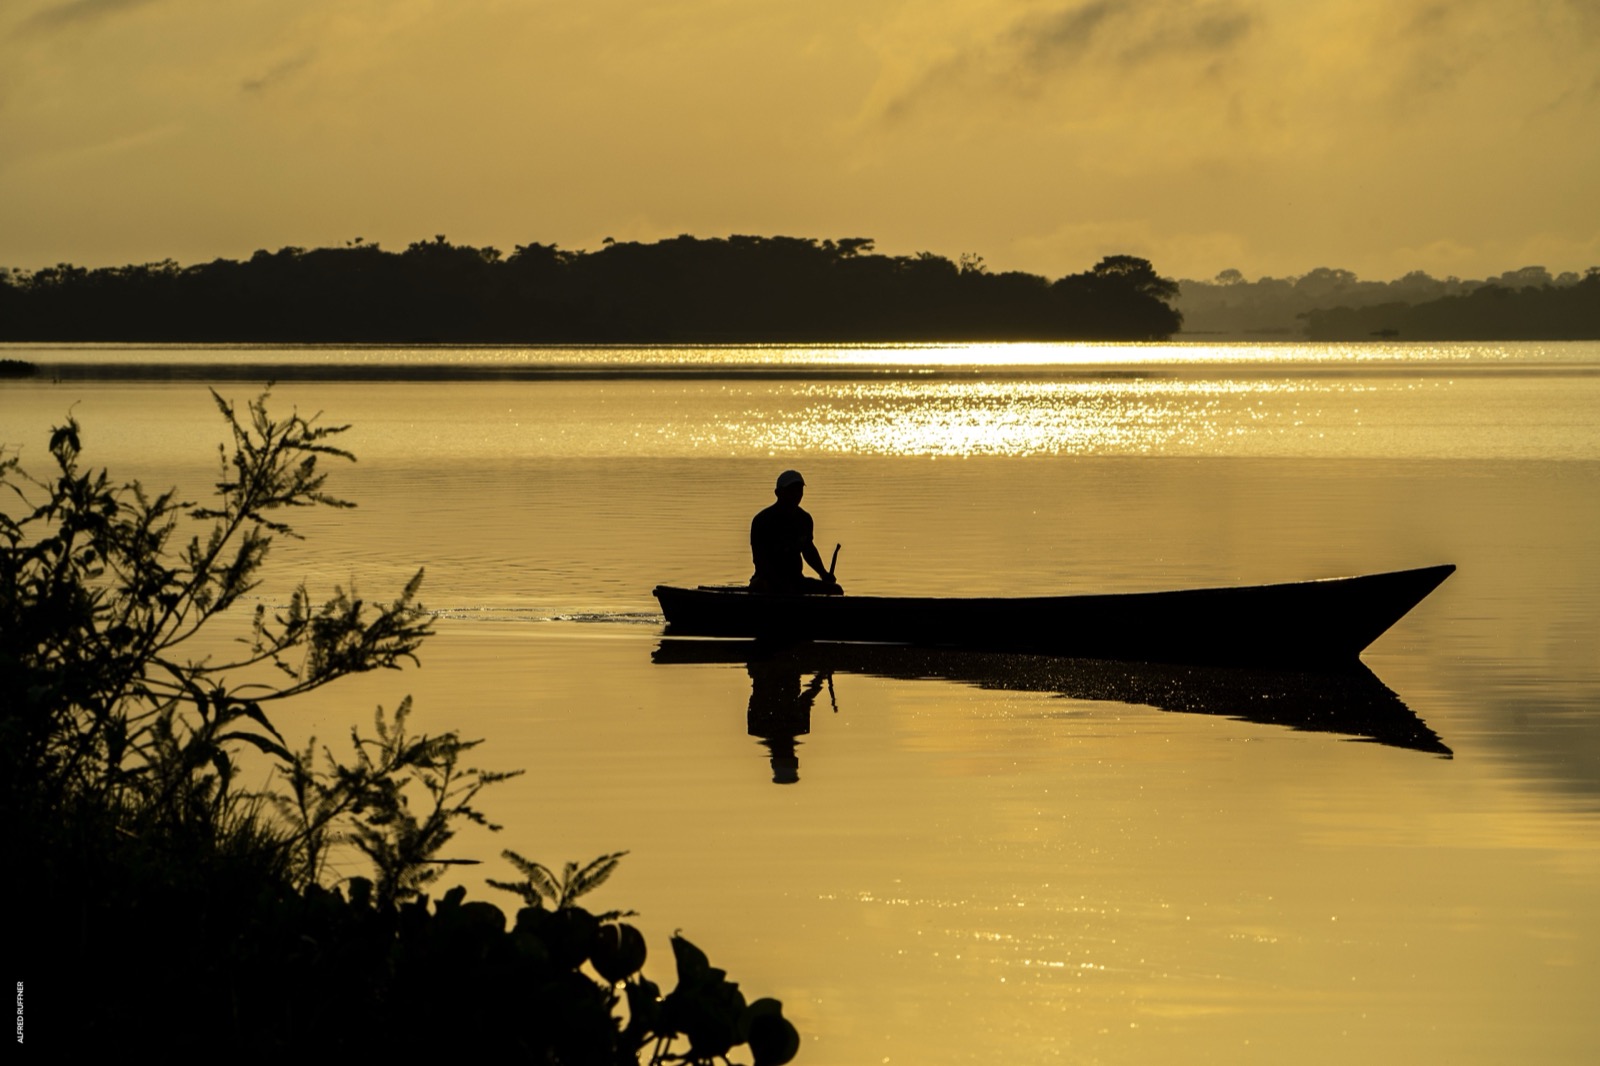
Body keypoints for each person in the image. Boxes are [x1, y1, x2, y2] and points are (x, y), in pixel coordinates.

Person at [749, 469, 842, 594]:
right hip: (766, 580)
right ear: (778, 493)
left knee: (836, 590)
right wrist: (779, 583)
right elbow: (760, 559)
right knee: (762, 588)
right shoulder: (762, 520)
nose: (796, 494)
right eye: (791, 490)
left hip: (795, 580)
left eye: (799, 490)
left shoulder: (804, 519)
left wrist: (824, 574)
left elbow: (808, 550)